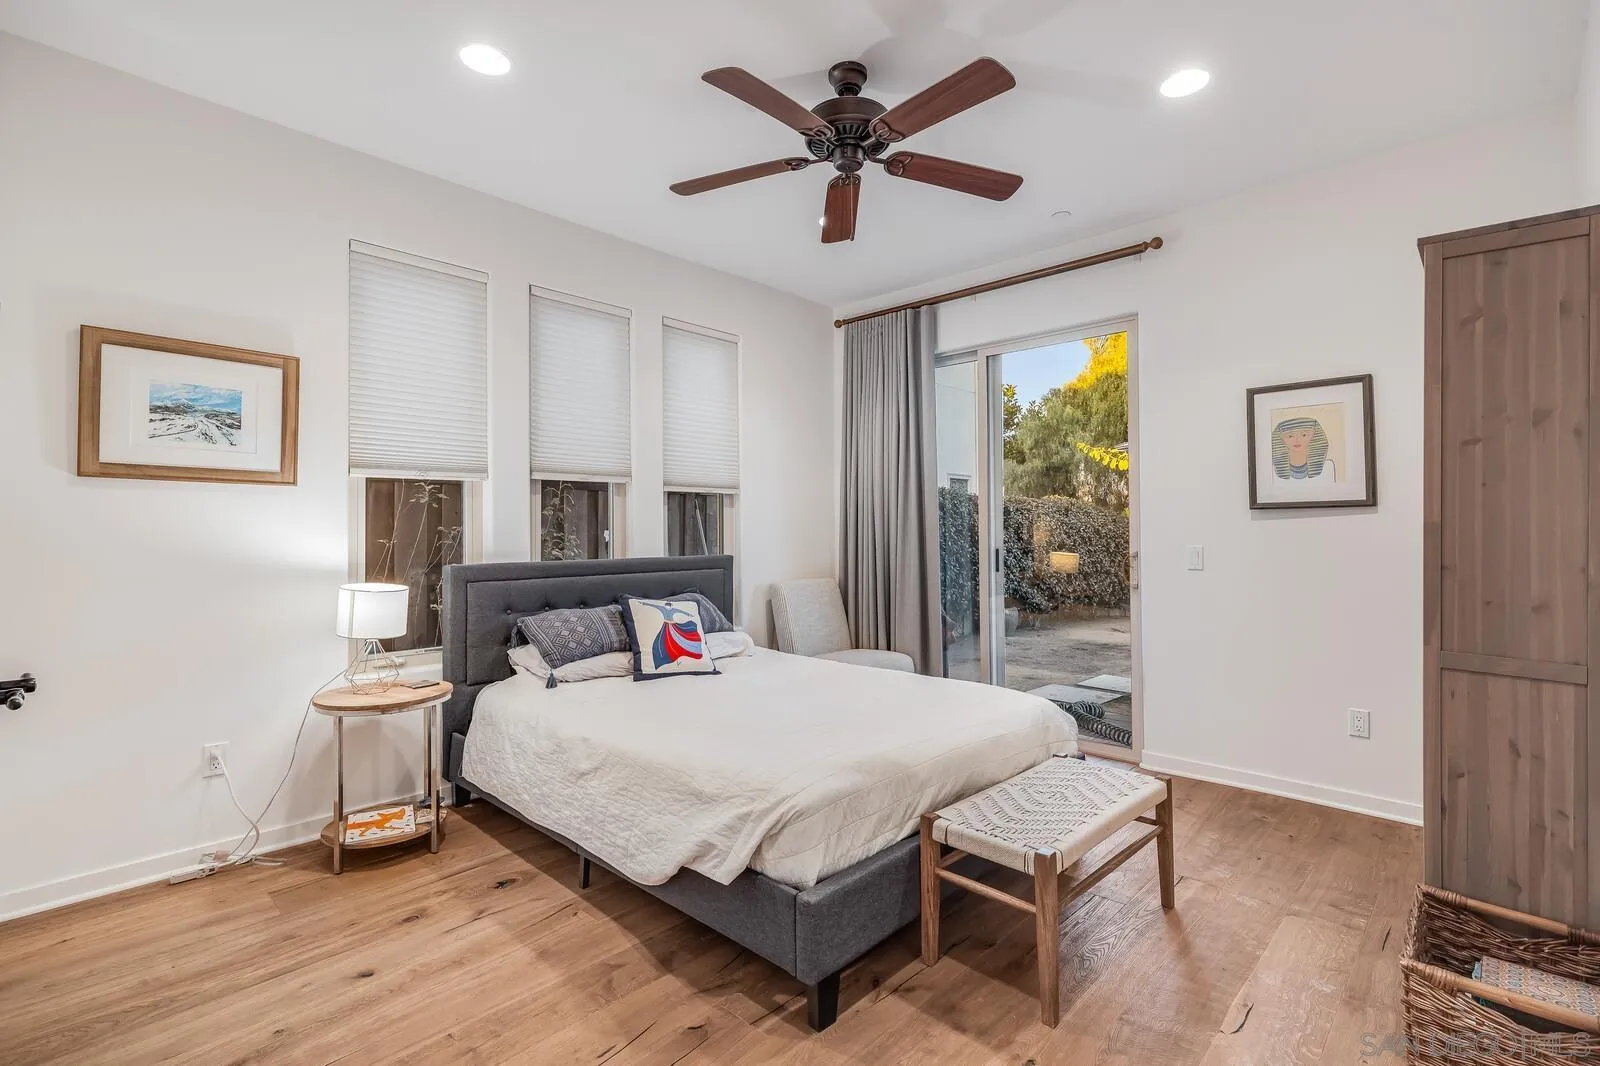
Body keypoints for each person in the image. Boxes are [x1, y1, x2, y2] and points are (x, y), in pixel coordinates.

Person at [1271, 416, 1335, 482]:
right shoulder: (1272, 470)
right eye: (1290, 436)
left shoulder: (1327, 467)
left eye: (1304, 435)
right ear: (1281, 438)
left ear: (1314, 435)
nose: (1297, 440)